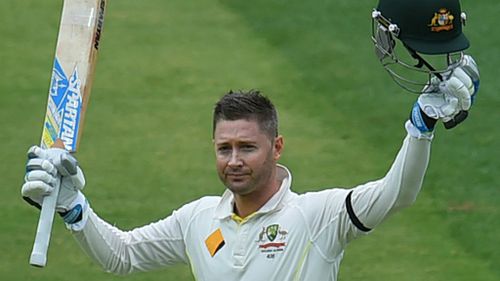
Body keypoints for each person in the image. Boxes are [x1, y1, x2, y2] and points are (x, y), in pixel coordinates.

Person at [22, 0, 480, 280]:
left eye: (247, 147)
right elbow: (120, 256)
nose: (234, 160)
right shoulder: (197, 220)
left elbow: (396, 194)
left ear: (276, 147)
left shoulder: (319, 218)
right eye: (225, 148)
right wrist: (73, 208)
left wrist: (419, 128)